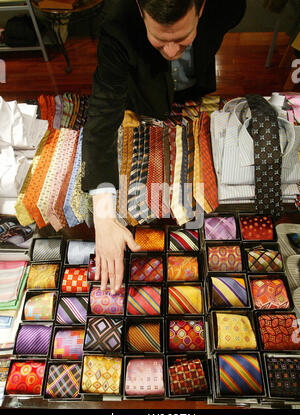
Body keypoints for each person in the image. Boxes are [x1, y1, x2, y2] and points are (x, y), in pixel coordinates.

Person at [81, 0, 246, 294]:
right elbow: (103, 114)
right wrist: (104, 216)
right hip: (147, 96)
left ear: (203, 8)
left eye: (182, 38)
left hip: (197, 90)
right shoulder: (117, 21)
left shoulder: (229, 6)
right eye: (159, 40)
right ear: (140, 10)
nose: (171, 51)